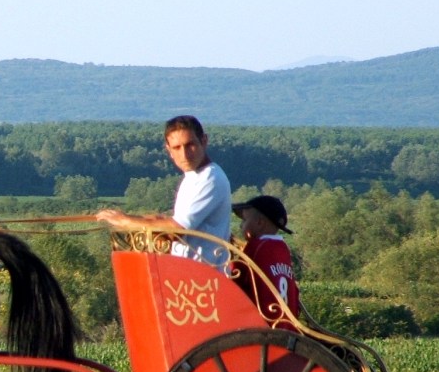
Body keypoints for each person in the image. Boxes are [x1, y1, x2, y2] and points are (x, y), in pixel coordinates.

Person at [97, 115, 232, 267]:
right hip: (188, 274)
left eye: (190, 145)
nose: (185, 154)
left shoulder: (209, 179)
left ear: (204, 141)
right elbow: (173, 222)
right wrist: (130, 217)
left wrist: (125, 221)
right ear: (168, 150)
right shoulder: (193, 177)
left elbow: (177, 229)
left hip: (204, 279)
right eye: (177, 148)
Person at [231, 194, 301, 321]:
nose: (241, 226)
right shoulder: (282, 247)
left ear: (259, 223)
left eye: (244, 220)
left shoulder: (256, 246)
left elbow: (237, 278)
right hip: (286, 324)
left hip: (262, 324)